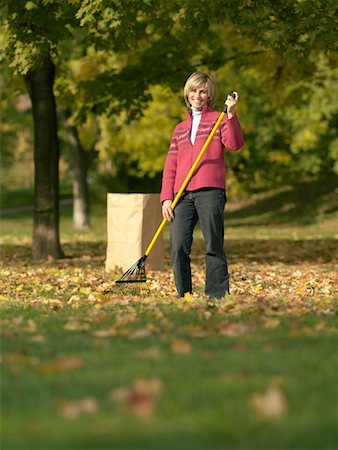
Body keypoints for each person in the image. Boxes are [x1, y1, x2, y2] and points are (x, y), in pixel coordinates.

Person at [160, 71, 244, 299]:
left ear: (209, 95)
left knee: (213, 244)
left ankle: (216, 295)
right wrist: (166, 197)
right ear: (187, 93)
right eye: (193, 90)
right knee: (178, 246)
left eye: (202, 91)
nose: (197, 95)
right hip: (182, 195)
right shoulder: (179, 129)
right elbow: (171, 166)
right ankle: (184, 294)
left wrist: (231, 115)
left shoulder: (219, 119)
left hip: (210, 191)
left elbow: (235, 144)